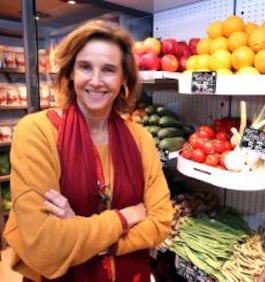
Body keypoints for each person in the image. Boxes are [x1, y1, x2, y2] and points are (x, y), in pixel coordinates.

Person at [3, 19, 173, 282]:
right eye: (85, 67)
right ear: (70, 72)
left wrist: (90, 238)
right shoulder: (37, 133)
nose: (96, 81)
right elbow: (46, 246)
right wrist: (125, 217)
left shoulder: (140, 138)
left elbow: (161, 222)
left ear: (124, 78)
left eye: (108, 70)